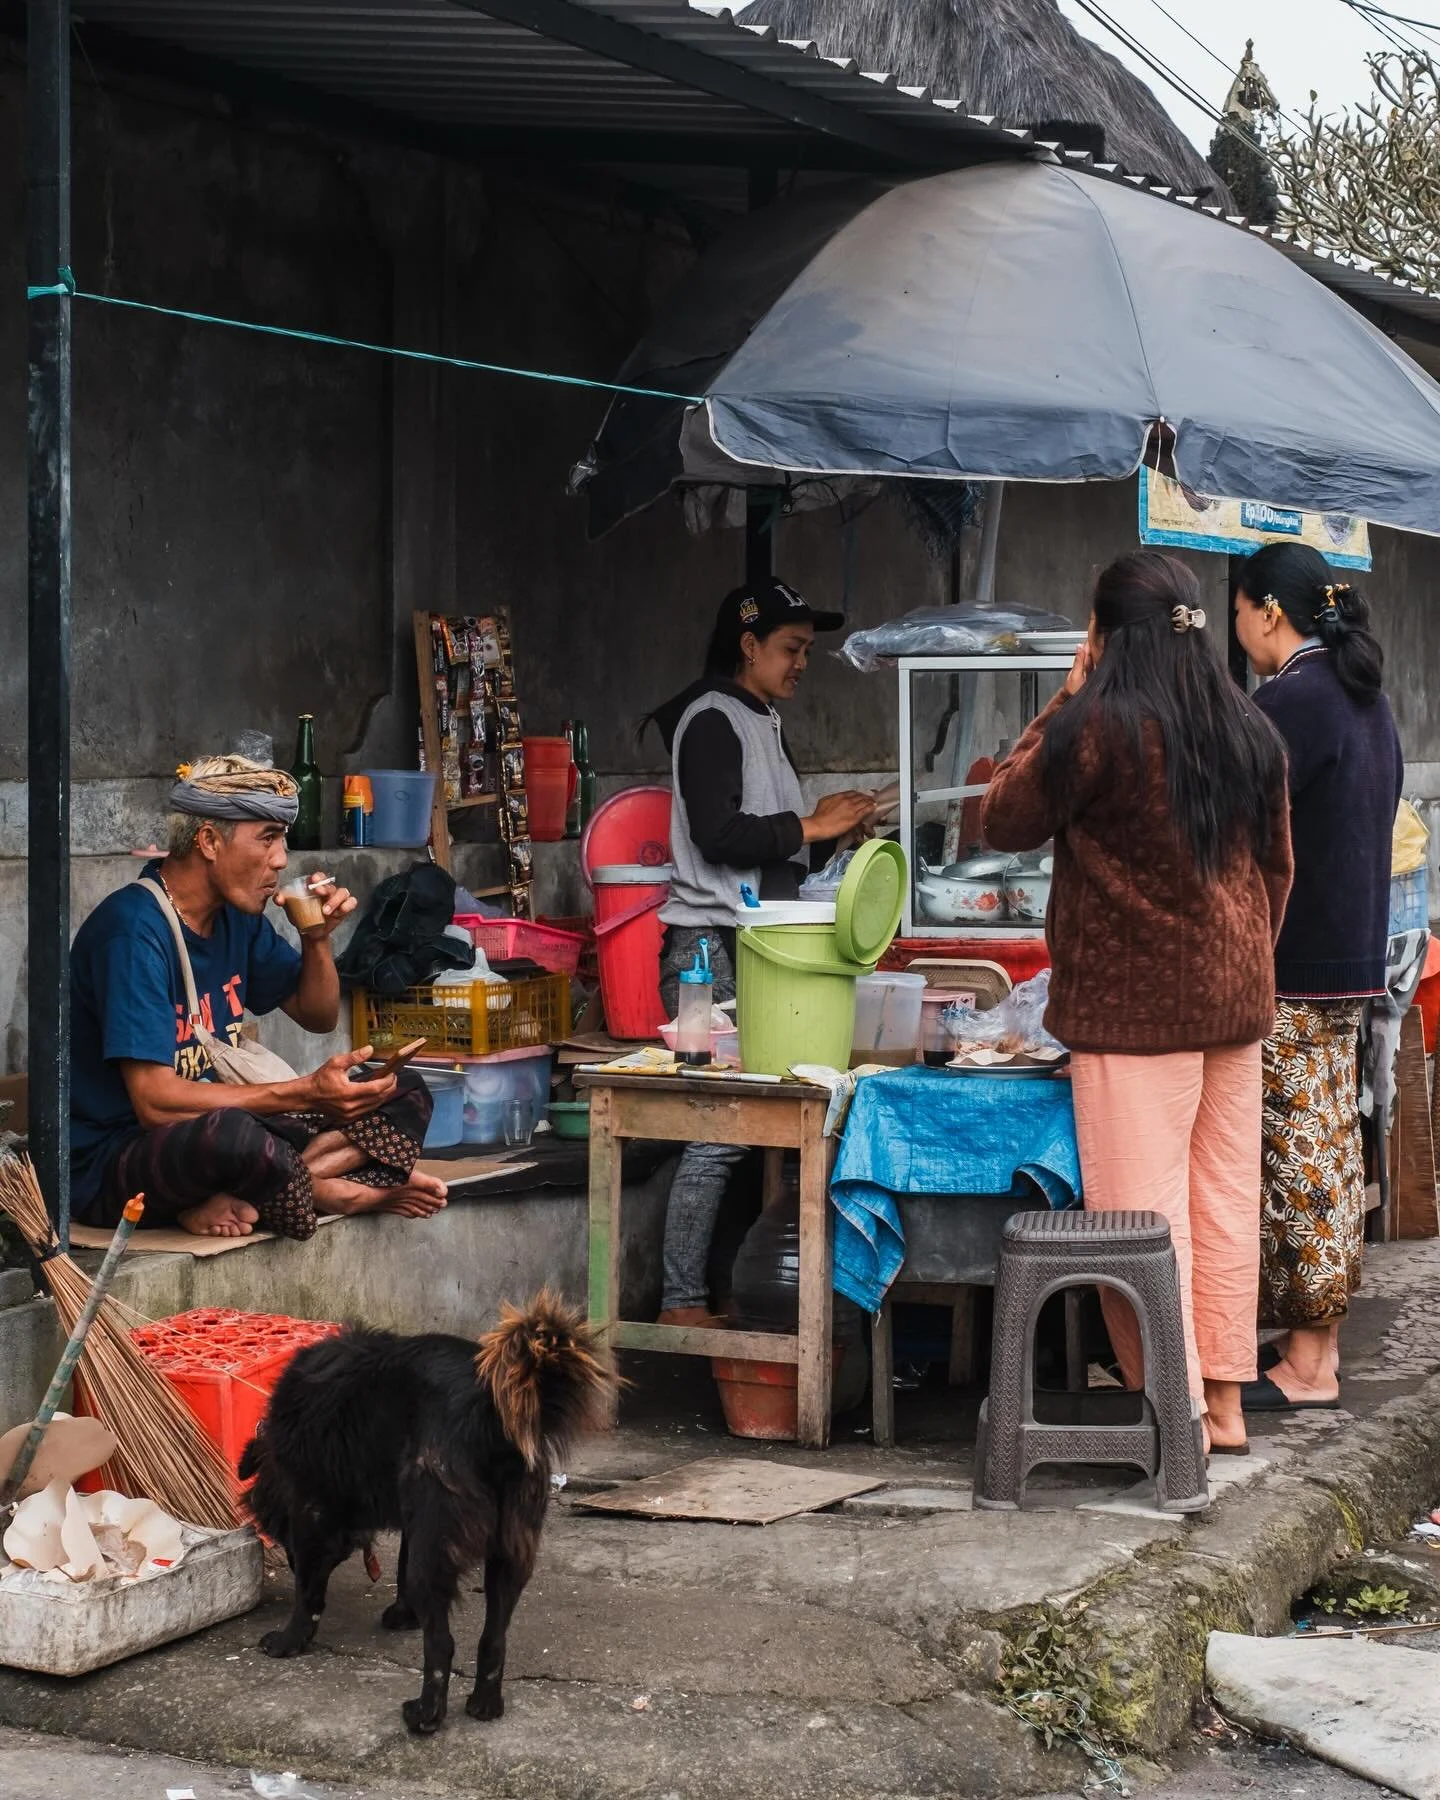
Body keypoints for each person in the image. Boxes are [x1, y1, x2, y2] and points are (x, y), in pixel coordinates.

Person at [983, 551, 1293, 1454]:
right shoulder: (1248, 724)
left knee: (1140, 1218)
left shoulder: (1095, 727)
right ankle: (1226, 1404)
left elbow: (1004, 815)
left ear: (1103, 635)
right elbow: (1277, 870)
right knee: (1224, 1200)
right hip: (1235, 1002)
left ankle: (1176, 1413)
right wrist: (1239, 963)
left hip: (1134, 1010)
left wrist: (1065, 694)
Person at [69, 755, 449, 1240]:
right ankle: (328, 1188)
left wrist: (316, 939)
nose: (281, 859)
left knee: (401, 1089)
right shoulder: (132, 932)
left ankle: (292, 1184)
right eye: (268, 837)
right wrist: (306, 1093)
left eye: (282, 840)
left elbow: (318, 1015)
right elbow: (155, 1105)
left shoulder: (237, 918)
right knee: (234, 1138)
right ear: (208, 841)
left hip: (219, 1129)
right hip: (121, 1159)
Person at [645, 578, 875, 1328]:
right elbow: (719, 833)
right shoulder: (712, 718)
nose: (802, 662)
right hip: (702, 952)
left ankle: (723, 1292)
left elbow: (771, 848)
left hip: (750, 943)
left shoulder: (761, 720)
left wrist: (835, 839)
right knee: (721, 1127)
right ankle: (681, 1302)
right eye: (790, 648)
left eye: (808, 649)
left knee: (753, 1128)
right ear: (748, 646)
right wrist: (811, 825)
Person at [1233, 543, 1403, 1412]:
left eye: (1237, 611)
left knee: (1299, 1160)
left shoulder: (1288, 700)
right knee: (1329, 1151)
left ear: (1267, 611)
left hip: (1295, 966)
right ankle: (1313, 1346)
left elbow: (1234, 827)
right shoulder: (1366, 699)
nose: (1238, 629)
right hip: (1350, 963)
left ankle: (1306, 1362)